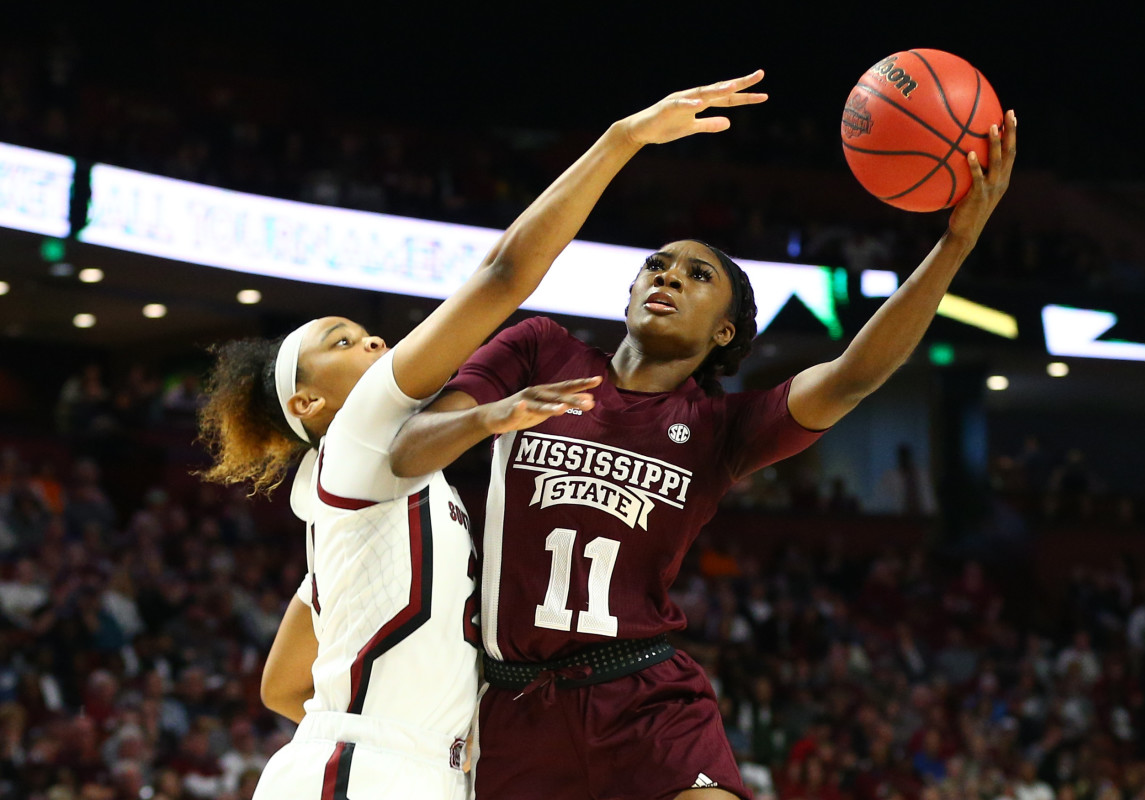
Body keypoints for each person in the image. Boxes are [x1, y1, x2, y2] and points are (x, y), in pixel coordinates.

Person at [390, 94, 1017, 798]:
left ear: (725, 332)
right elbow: (407, 450)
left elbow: (852, 378)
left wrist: (954, 244)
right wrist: (489, 417)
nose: (668, 278)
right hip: (512, 705)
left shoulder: (721, 430)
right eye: (656, 267)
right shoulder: (540, 350)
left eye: (697, 277)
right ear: (628, 292)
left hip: (642, 696)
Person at [196, 72, 769, 800]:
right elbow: (504, 274)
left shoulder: (397, 500)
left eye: (368, 332)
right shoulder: (359, 439)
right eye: (343, 341)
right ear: (308, 403)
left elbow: (281, 684)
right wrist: (624, 138)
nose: (374, 344)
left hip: (426, 774)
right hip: (367, 772)